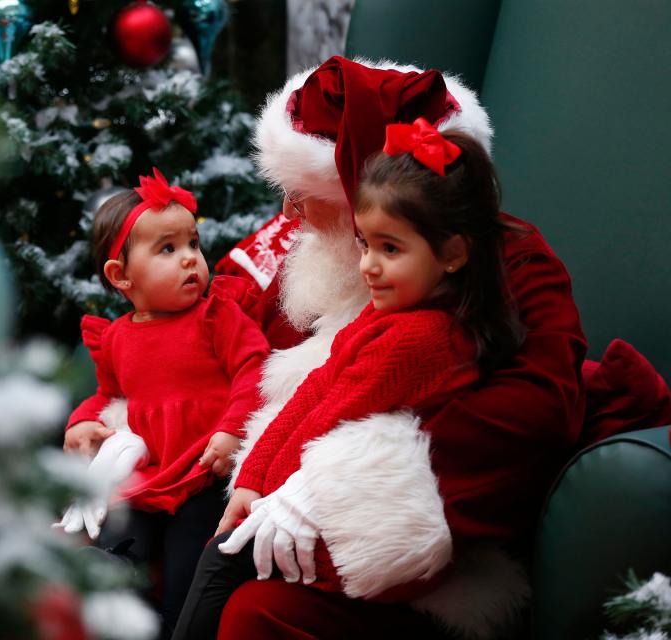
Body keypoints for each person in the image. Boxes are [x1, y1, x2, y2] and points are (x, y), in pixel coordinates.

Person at [182, 56, 587, 639]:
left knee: (247, 606)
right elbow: (236, 338)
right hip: (276, 498)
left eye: (302, 197)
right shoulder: (338, 260)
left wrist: (327, 484)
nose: (289, 216)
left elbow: (540, 407)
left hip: (419, 554)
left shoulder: (508, 264)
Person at [57, 168, 270, 637]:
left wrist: (232, 429)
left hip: (202, 474)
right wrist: (81, 423)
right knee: (121, 541)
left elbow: (255, 369)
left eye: (193, 244)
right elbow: (108, 395)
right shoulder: (116, 338)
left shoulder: (216, 316)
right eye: (168, 249)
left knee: (186, 568)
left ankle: (175, 621)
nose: (191, 259)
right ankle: (117, 596)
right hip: (150, 476)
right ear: (121, 276)